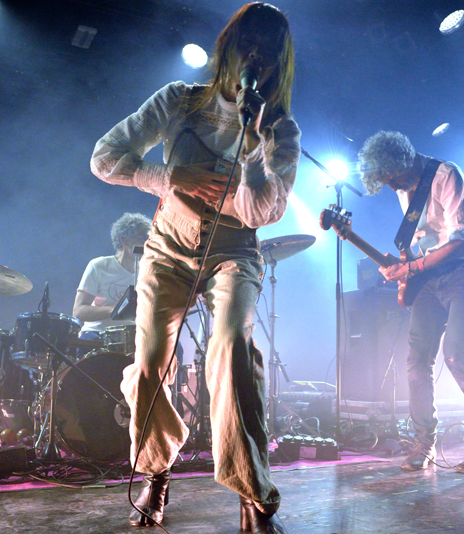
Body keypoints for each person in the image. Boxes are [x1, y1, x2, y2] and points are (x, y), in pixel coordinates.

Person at [90, 3, 299, 532]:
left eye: (269, 55)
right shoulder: (178, 101)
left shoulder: (281, 130)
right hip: (166, 250)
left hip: (235, 253)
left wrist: (253, 146)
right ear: (230, 48)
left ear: (277, 67)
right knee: (151, 363)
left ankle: (252, 493)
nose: (257, 59)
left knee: (231, 348)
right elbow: (105, 157)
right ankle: (157, 469)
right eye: (249, 46)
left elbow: (261, 213)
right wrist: (169, 179)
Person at [356, 131, 464, 474]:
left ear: (402, 164)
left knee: (458, 356)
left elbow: (461, 239)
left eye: (391, 178)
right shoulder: (403, 189)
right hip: (432, 278)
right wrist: (402, 266)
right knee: (416, 361)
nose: (391, 186)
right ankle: (422, 443)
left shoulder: (447, 175)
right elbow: (426, 246)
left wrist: (410, 267)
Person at [73, 212, 151, 344]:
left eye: (149, 239)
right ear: (124, 240)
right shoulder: (99, 266)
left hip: (136, 336)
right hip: (97, 334)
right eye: (142, 239)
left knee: (174, 346)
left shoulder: (150, 271)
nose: (147, 244)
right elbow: (79, 311)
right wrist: (118, 310)